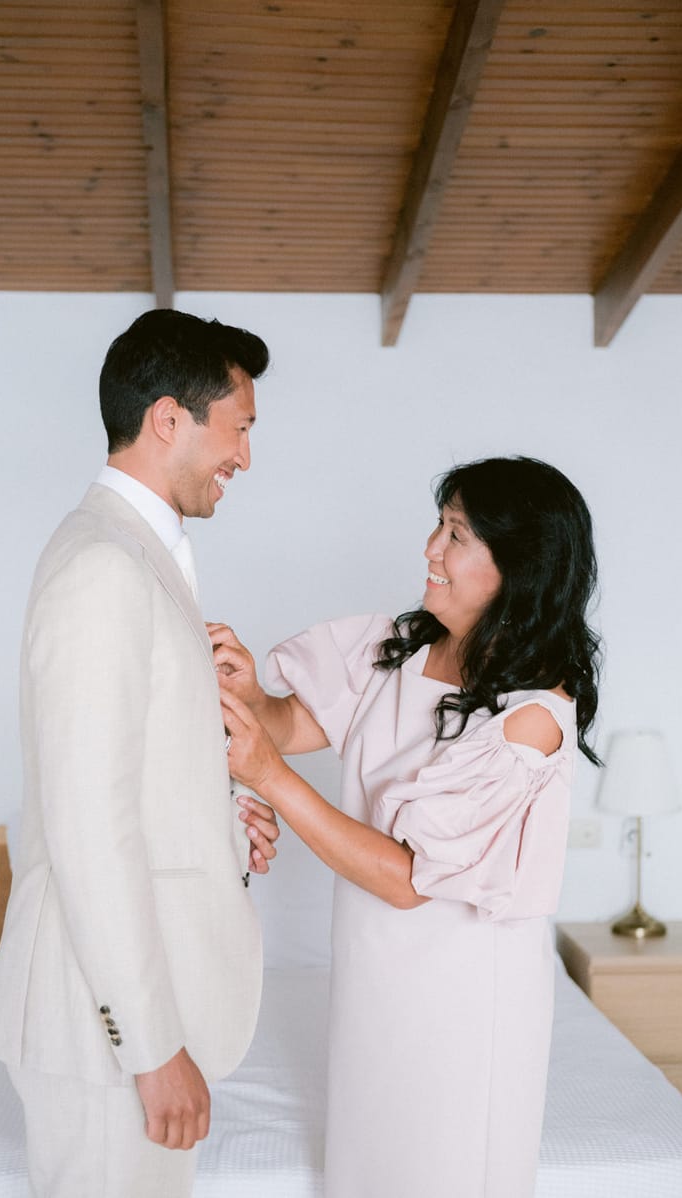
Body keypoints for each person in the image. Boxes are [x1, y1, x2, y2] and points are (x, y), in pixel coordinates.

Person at [211, 456, 601, 1198]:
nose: (430, 548)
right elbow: (294, 724)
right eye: (439, 525)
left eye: (456, 534)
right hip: (376, 975)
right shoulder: (403, 649)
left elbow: (407, 878)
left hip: (462, 998)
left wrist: (270, 778)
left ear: (517, 567)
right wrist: (251, 697)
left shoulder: (531, 718)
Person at [0, 308, 279, 1198]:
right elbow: (88, 824)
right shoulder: (104, 567)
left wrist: (225, 825)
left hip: (144, 1001)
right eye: (239, 428)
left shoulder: (136, 552)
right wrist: (151, 1048)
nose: (246, 457)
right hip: (101, 1034)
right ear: (167, 418)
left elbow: (134, 777)